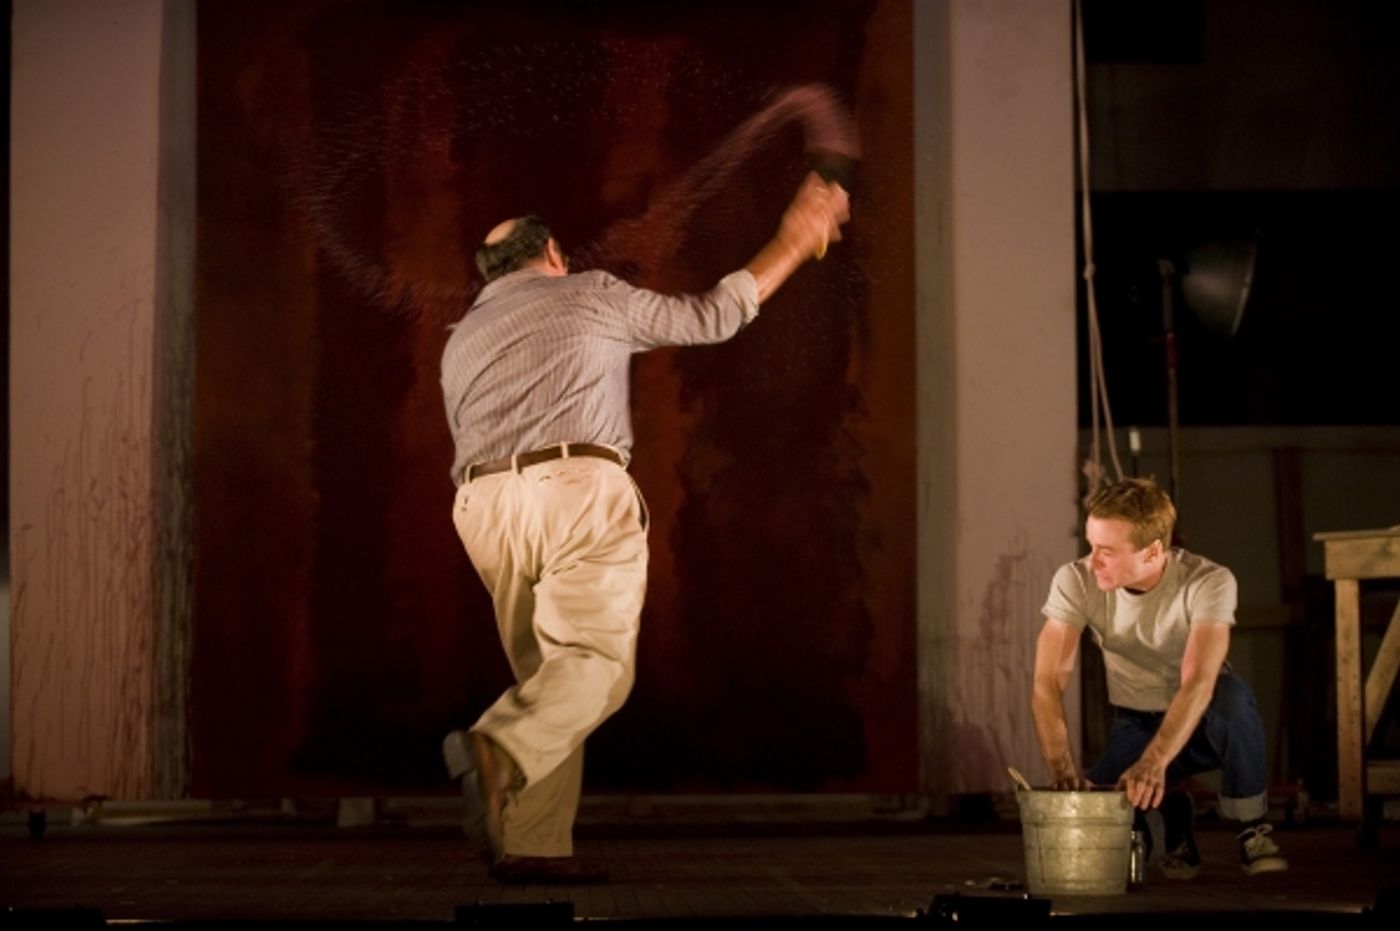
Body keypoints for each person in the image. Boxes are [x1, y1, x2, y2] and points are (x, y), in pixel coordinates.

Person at [439, 172, 850, 884]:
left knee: (550, 677)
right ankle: (498, 748)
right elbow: (714, 315)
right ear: (556, 254)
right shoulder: (588, 293)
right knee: (596, 665)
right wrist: (794, 239)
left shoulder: (462, 337)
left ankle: (535, 841)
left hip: (483, 509)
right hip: (572, 490)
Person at [1031, 477, 1289, 879]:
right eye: (1091, 545)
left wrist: (1153, 763)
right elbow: (1047, 681)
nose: (1092, 560)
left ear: (1153, 551)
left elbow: (1199, 681)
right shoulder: (1077, 580)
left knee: (1233, 698)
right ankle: (1174, 816)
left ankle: (1252, 827)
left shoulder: (1208, 581)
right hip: (1136, 719)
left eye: (1107, 551)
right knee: (1100, 806)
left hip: (1204, 719)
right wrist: (1060, 765)